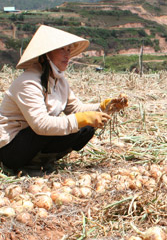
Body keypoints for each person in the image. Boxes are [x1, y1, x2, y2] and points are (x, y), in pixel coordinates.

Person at [0, 25, 128, 176]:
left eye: (69, 50)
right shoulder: (28, 82)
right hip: (11, 148)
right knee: (60, 125)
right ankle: (25, 165)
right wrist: (81, 119)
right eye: (62, 50)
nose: (67, 55)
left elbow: (76, 109)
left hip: (34, 140)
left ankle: (40, 161)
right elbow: (40, 125)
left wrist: (105, 107)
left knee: (86, 128)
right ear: (46, 53)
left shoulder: (59, 81)